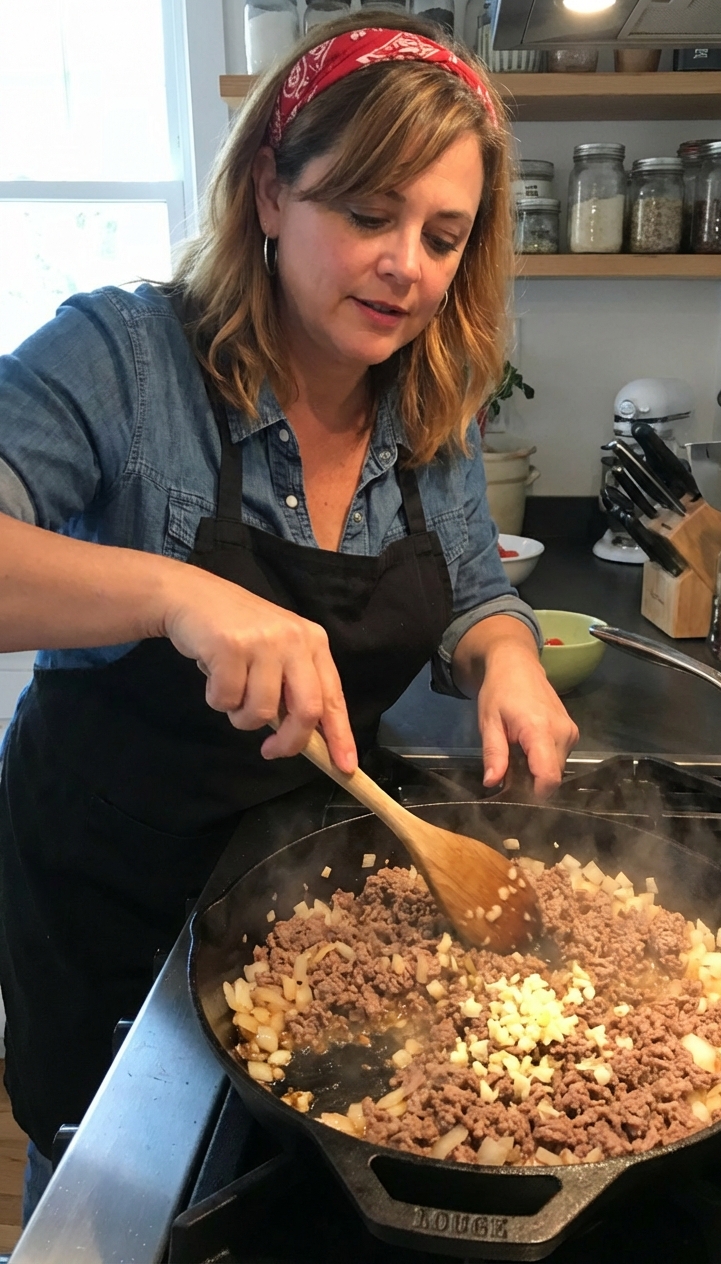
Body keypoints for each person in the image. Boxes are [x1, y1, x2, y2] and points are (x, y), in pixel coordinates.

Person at [0, 10, 578, 1218]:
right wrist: (175, 594)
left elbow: (473, 587)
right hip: (110, 902)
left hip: (314, 909)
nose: (405, 265)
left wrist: (506, 655)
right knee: (108, 1202)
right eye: (368, 213)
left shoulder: (430, 401)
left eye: (441, 236)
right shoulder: (121, 357)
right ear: (270, 189)